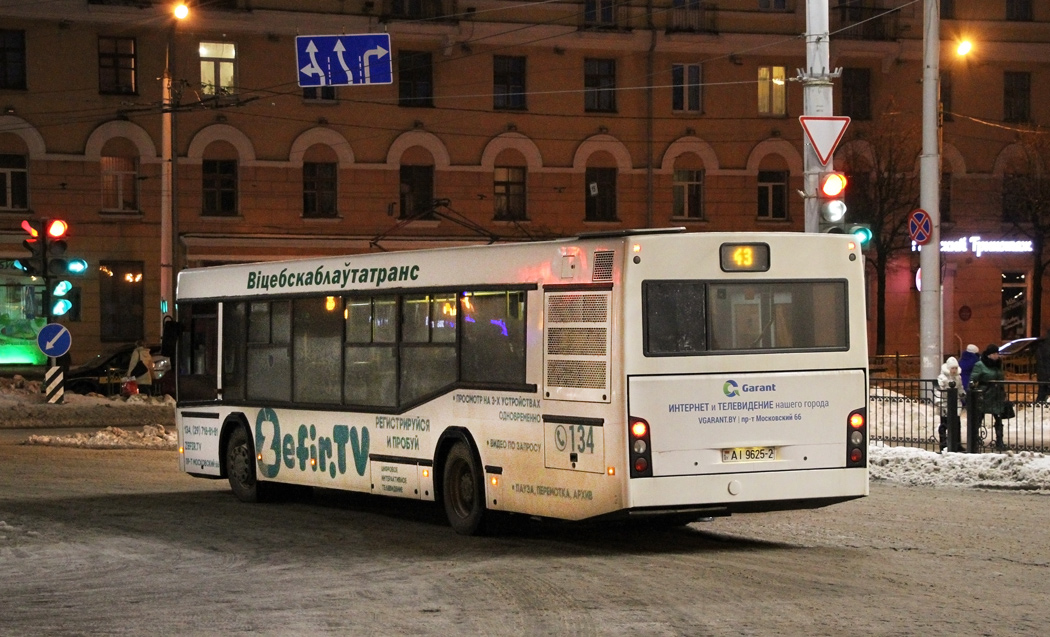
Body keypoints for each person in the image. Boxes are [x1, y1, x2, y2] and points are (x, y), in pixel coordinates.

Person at [969, 344, 1006, 451]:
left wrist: (1003, 392)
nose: (996, 356)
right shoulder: (980, 365)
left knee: (998, 418)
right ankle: (975, 439)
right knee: (979, 417)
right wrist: (973, 390)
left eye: (997, 353)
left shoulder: (998, 365)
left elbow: (1001, 378)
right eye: (994, 354)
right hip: (985, 394)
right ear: (989, 355)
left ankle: (1000, 441)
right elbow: (973, 378)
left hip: (997, 395)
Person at [935, 356, 965, 452]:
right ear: (948, 368)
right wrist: (938, 401)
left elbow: (960, 387)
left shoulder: (958, 377)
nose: (954, 370)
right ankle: (943, 444)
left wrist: (963, 394)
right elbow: (938, 390)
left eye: (955, 368)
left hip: (955, 402)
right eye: (952, 368)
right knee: (944, 424)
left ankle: (957, 443)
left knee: (956, 424)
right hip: (944, 402)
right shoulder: (942, 378)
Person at [1036, 331, 1050, 402]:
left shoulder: (1042, 344)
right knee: (1042, 394)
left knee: (1042, 394)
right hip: (1046, 375)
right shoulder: (1045, 346)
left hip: (1043, 375)